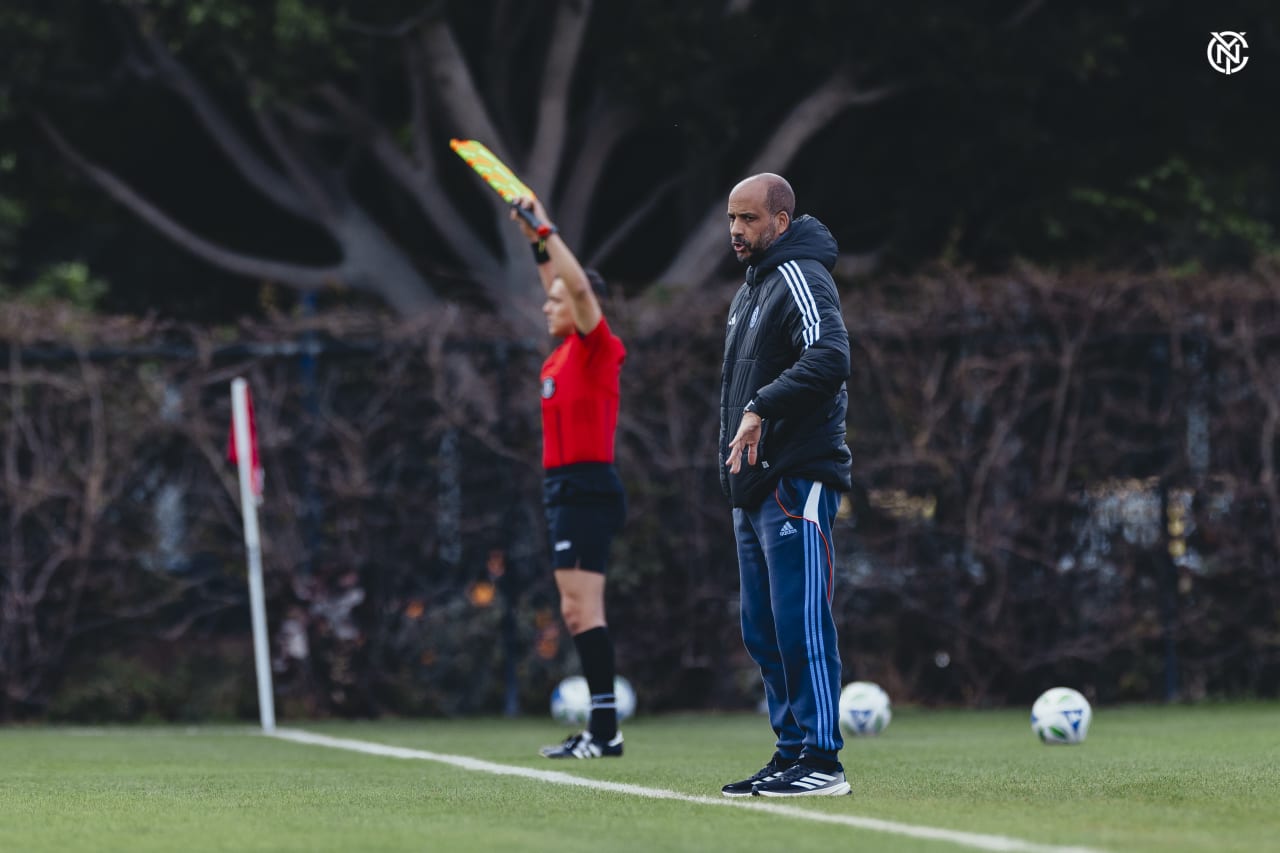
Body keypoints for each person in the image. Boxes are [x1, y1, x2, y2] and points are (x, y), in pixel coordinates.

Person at [717, 173, 853, 797]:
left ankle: (823, 762)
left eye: (748, 220)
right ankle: (791, 750)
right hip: (754, 487)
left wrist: (761, 407)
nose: (737, 231)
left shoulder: (801, 275)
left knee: (801, 621)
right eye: (731, 219)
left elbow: (829, 355)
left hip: (796, 478)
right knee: (761, 629)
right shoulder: (754, 287)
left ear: (780, 222)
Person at [509, 195, 628, 759]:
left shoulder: (595, 348)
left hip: (586, 487)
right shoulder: (560, 356)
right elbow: (560, 279)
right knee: (575, 609)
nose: (547, 303)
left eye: (557, 299)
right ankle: (603, 731)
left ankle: (605, 733)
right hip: (563, 489)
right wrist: (536, 240)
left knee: (583, 610)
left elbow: (576, 289)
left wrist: (547, 225)